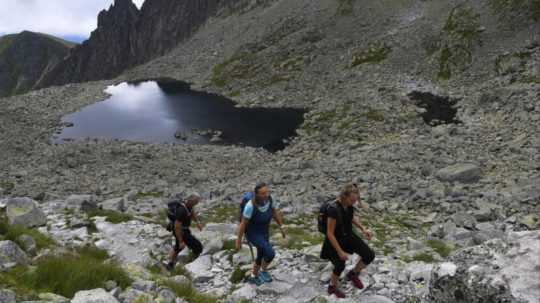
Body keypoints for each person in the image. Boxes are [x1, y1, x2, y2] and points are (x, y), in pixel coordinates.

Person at [320, 183, 375, 298]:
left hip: (348, 235)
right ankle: (332, 287)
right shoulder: (333, 209)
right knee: (340, 264)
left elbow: (350, 217)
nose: (354, 203)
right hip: (335, 239)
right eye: (352, 200)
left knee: (369, 254)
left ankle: (353, 274)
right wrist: (340, 252)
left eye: (355, 200)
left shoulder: (348, 205)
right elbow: (330, 233)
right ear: (344, 196)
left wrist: (363, 229)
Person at [236, 182, 286, 285]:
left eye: (267, 192)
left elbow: (274, 213)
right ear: (257, 194)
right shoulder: (250, 206)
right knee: (270, 253)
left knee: (261, 254)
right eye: (263, 193)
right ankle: (263, 271)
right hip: (253, 233)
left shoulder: (270, 199)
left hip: (264, 231)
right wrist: (238, 241)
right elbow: (243, 224)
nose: (266, 195)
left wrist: (281, 227)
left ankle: (254, 275)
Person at [166, 192, 204, 271]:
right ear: (191, 200)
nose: (197, 203)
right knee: (198, 247)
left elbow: (191, 212)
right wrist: (181, 241)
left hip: (184, 229)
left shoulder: (188, 205)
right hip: (181, 231)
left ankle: (170, 264)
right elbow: (177, 226)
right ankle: (192, 264)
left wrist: (197, 223)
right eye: (196, 201)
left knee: (178, 248)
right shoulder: (182, 210)